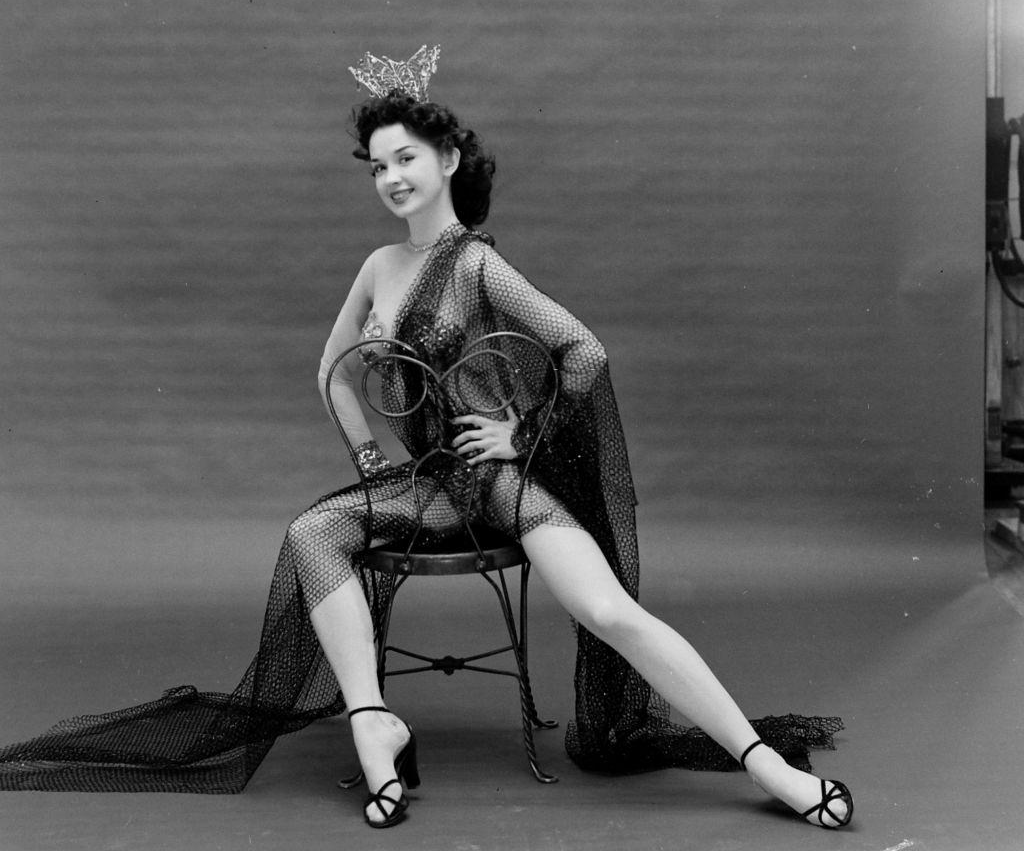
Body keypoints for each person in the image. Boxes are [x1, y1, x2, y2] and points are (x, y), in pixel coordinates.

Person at [0, 46, 852, 832]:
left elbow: (583, 349)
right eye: (378, 166)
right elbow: (333, 369)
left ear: (447, 161)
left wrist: (522, 432)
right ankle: (374, 723)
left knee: (603, 610)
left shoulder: (474, 262)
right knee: (312, 531)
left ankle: (766, 766)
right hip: (432, 485)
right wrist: (370, 461)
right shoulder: (379, 265)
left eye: (406, 157)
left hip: (502, 487)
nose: (391, 177)